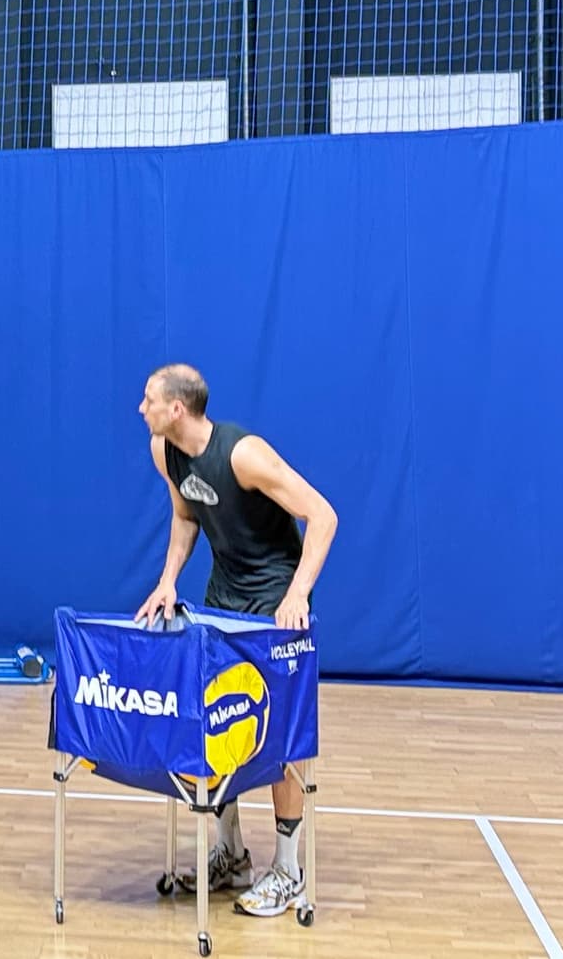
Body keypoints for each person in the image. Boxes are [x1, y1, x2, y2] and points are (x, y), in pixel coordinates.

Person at [133, 363, 337, 919]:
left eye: (148, 399)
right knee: (220, 722)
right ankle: (233, 854)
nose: (140, 407)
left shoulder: (243, 454)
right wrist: (168, 580)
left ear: (177, 408)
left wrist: (297, 596)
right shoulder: (164, 451)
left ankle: (290, 868)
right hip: (224, 595)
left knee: (282, 734)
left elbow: (322, 515)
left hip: (275, 604)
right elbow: (185, 516)